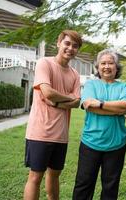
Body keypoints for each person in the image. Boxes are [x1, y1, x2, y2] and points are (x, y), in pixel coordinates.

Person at [24, 30, 82, 200]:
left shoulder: (75, 74)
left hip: (61, 135)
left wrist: (57, 102)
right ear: (58, 43)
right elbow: (47, 92)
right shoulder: (44, 63)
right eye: (67, 43)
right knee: (35, 177)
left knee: (55, 175)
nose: (70, 48)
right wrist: (68, 97)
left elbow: (77, 102)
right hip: (40, 132)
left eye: (75, 46)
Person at [72, 49, 126, 200]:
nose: (107, 66)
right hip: (90, 143)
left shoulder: (123, 86)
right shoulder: (91, 84)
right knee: (83, 185)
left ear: (116, 67)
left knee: (110, 188)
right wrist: (116, 110)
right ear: (98, 67)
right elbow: (88, 106)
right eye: (103, 63)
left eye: (110, 63)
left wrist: (99, 104)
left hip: (116, 145)